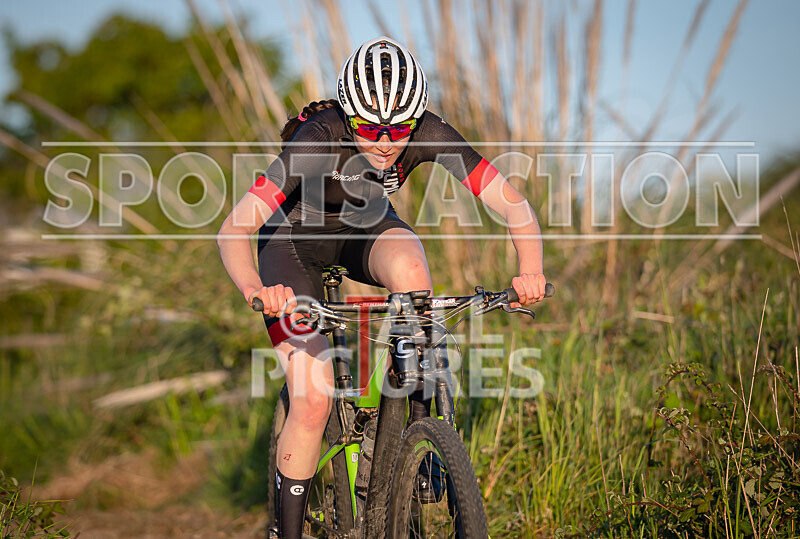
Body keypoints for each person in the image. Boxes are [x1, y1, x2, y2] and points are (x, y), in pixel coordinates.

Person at [217, 36, 547, 538]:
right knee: (313, 397)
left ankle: (413, 430)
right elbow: (235, 228)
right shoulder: (316, 137)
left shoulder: (428, 132)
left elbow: (512, 204)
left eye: (401, 129)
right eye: (371, 129)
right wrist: (255, 289)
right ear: (349, 117)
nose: (388, 142)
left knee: (414, 276)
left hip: (364, 229)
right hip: (292, 245)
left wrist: (531, 269)